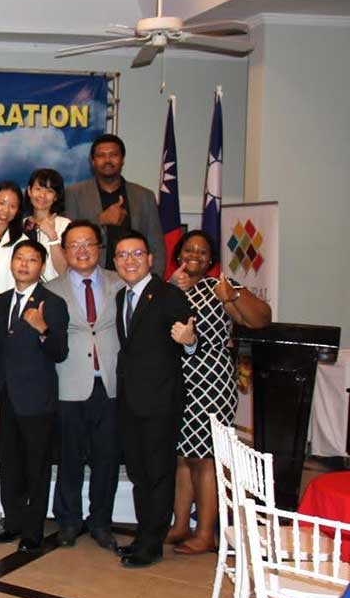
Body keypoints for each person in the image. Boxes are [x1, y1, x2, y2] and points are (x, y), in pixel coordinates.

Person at [164, 230, 271, 554]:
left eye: (202, 251)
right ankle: (181, 523)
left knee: (205, 460)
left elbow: (261, 319)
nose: (194, 255)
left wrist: (231, 295)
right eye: (189, 249)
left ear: (211, 260)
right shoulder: (170, 287)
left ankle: (205, 532)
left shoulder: (217, 287)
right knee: (183, 458)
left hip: (211, 384)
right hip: (179, 383)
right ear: (178, 255)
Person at [112, 230, 197, 568]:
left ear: (150, 259)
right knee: (139, 473)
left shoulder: (167, 295)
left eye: (136, 254)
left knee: (159, 474)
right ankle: (143, 534)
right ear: (115, 262)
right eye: (122, 255)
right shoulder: (122, 297)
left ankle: (152, 543)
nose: (129, 261)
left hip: (161, 401)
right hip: (131, 400)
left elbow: (190, 340)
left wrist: (189, 340)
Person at [45, 220, 122, 550]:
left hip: (110, 383)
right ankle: (69, 521)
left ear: (99, 248)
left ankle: (101, 521)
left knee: (107, 458)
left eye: (88, 243)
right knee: (70, 458)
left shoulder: (120, 283)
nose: (82, 250)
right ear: (64, 251)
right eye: (74, 245)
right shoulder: (50, 289)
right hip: (69, 382)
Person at [0, 240, 69, 552]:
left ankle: (33, 531)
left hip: (37, 399)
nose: (24, 264)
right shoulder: (0, 300)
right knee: (9, 465)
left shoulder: (53, 302)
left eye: (32, 260)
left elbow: (59, 352)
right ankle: (14, 523)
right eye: (19, 258)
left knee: (36, 467)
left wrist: (42, 328)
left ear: (42, 266)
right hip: (6, 396)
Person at [64, 134, 165, 273]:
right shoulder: (74, 193)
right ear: (92, 161)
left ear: (122, 160)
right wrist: (101, 220)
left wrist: (154, 282)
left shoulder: (144, 196)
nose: (107, 160)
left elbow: (156, 245)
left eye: (113, 155)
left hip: (133, 276)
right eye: (101, 155)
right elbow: (69, 239)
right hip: (91, 276)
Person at [0, 181, 29, 309]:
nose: (5, 210)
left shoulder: (21, 242)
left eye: (12, 206)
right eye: (1, 203)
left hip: (0, 310)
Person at [22, 168, 69, 279]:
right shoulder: (19, 225)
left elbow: (65, 271)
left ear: (56, 197)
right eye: (38, 189)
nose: (42, 195)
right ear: (29, 191)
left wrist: (52, 236)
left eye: (49, 191)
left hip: (54, 291)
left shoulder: (65, 225)